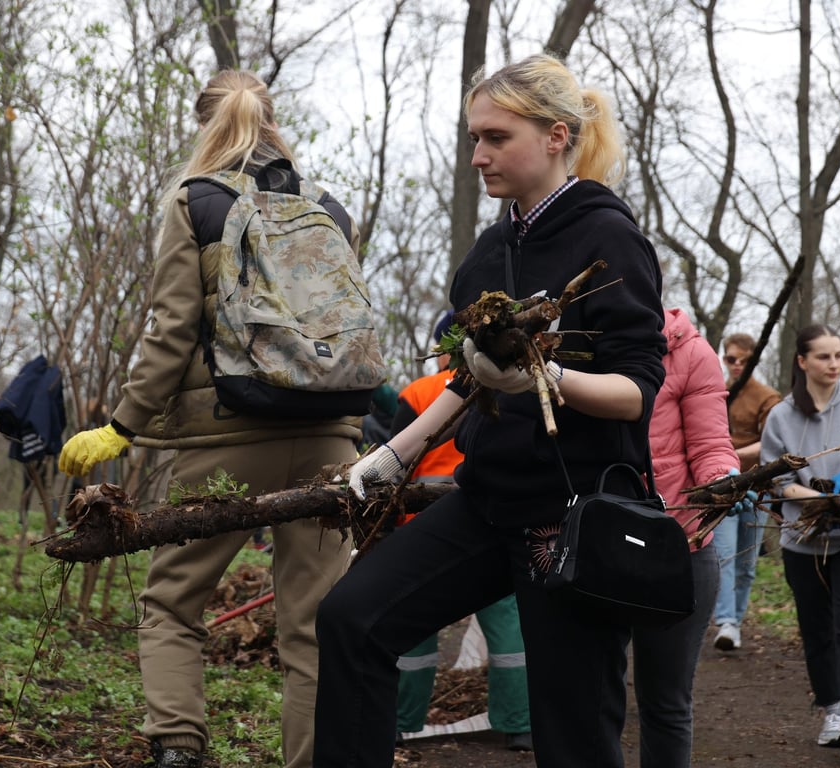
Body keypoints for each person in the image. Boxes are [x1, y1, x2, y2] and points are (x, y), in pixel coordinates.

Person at [312, 53, 667, 768]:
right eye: (475, 137)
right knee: (352, 618)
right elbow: (466, 381)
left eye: (497, 137)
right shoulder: (486, 254)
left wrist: (546, 378)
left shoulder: (610, 239)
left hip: (570, 518)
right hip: (486, 502)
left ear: (557, 135)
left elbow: (637, 390)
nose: (478, 155)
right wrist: (393, 456)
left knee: (571, 729)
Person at [56, 70, 362, 768]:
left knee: (171, 602)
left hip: (224, 433)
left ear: (205, 125)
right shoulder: (331, 210)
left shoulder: (196, 201)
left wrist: (123, 426)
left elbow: (171, 330)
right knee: (313, 630)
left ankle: (179, 752)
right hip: (329, 438)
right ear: (273, 122)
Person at [392, 311, 531, 752]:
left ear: (440, 350)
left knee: (413, 627)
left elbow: (397, 467)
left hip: (424, 532)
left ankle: (402, 721)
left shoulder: (417, 392)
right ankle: (519, 724)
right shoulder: (508, 383)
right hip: (494, 521)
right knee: (508, 627)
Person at [759, 324, 840, 757]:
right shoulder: (781, 415)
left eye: (838, 356)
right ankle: (832, 711)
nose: (833, 364)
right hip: (803, 538)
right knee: (816, 628)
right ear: (802, 362)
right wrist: (823, 498)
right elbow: (777, 481)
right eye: (823, 357)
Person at [636, 307, 741, 768]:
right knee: (589, 697)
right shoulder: (570, 342)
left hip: (681, 544)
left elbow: (711, 442)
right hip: (591, 550)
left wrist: (723, 481)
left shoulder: (688, 348)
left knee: (666, 702)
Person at [712, 331, 782, 650]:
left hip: (757, 488)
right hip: (721, 487)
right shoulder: (715, 393)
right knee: (723, 555)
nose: (737, 365)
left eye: (745, 359)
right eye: (730, 358)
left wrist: (731, 455)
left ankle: (735, 622)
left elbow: (772, 443)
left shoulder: (768, 398)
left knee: (746, 562)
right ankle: (725, 621)